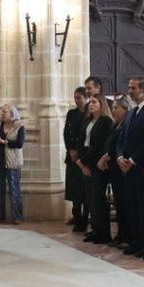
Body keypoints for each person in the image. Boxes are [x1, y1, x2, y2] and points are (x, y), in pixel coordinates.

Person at [119, 76, 144, 258]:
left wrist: (132, 160)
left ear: (142, 90)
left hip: (139, 167)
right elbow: (122, 137)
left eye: (132, 88)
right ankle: (136, 242)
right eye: (129, 87)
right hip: (126, 167)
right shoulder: (132, 112)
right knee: (131, 207)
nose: (129, 91)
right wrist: (120, 157)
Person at [81, 94, 116, 244]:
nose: (91, 104)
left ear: (101, 104)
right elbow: (82, 141)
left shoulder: (106, 122)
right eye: (90, 102)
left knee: (98, 199)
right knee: (90, 199)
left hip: (98, 164)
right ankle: (96, 230)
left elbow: (100, 146)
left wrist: (84, 160)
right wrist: (81, 163)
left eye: (94, 102)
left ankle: (103, 233)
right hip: (87, 163)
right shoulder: (88, 120)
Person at [101, 99, 131, 246]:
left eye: (116, 108)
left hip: (122, 169)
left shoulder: (126, 125)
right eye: (112, 108)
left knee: (125, 205)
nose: (113, 111)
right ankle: (120, 235)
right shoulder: (116, 125)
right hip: (114, 167)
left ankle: (126, 236)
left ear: (125, 109)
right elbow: (111, 143)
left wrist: (110, 156)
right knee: (119, 205)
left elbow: (122, 144)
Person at [0, 105, 25, 223]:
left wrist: (5, 142)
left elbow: (19, 143)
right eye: (2, 111)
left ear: (12, 113)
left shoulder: (19, 126)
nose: (2, 113)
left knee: (14, 189)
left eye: (5, 112)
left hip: (13, 162)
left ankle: (17, 216)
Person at [63, 87, 88, 230]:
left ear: (86, 98)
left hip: (83, 157)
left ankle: (84, 220)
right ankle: (76, 217)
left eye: (79, 97)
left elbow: (85, 135)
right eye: (75, 97)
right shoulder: (71, 113)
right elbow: (67, 133)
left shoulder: (89, 113)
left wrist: (78, 151)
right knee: (74, 190)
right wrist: (70, 149)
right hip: (72, 157)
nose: (77, 100)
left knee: (84, 191)